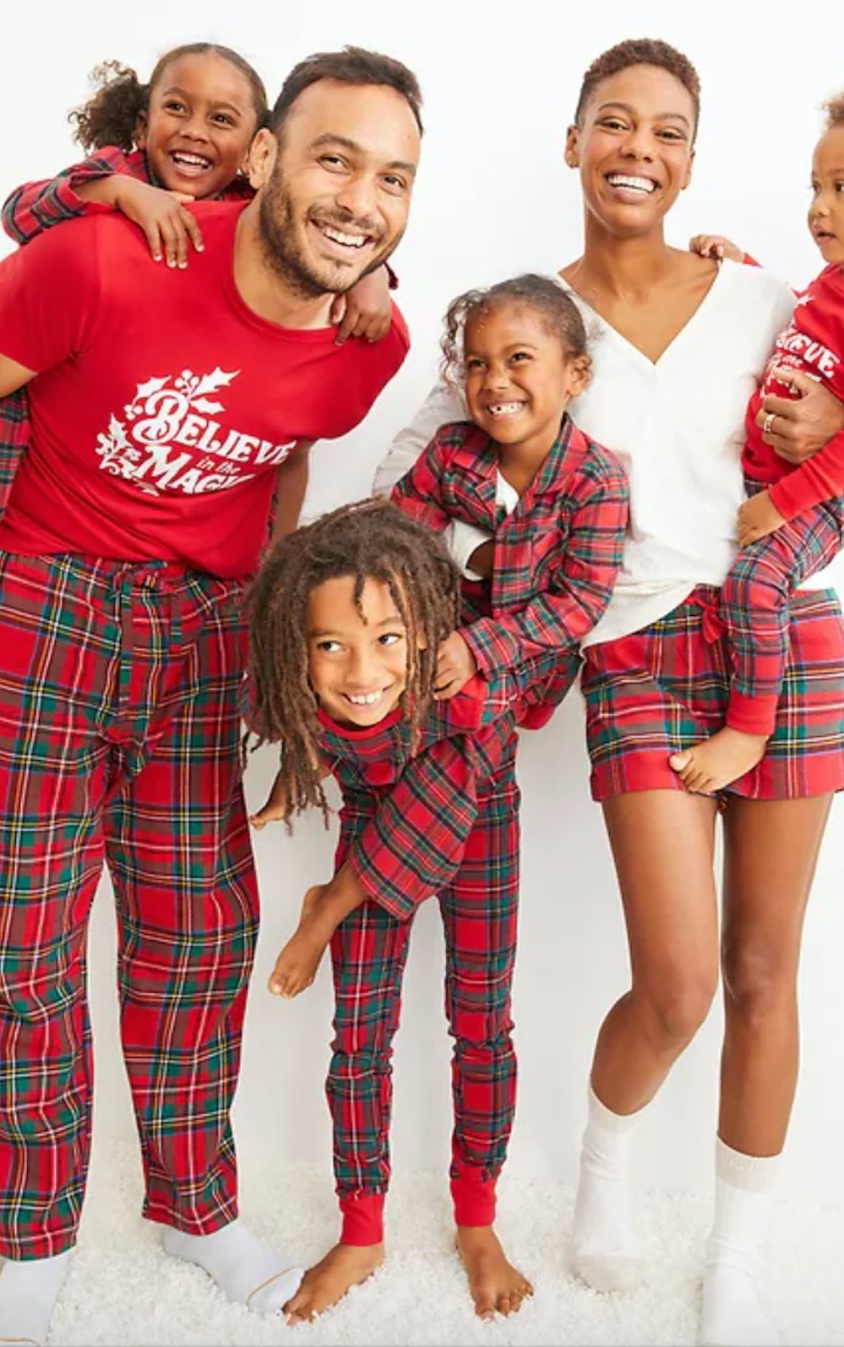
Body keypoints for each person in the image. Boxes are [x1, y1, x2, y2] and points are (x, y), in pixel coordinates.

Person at [374, 37, 844, 1347]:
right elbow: (418, 460)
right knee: (678, 982)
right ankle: (603, 1166)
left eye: (664, 130)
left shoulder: (764, 298)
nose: (636, 148)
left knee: (767, 967)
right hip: (637, 656)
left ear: (692, 158)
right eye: (612, 122)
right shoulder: (533, 320)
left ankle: (738, 1264)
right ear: (573, 142)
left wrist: (832, 458)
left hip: (785, 640)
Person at [0, 46, 422, 1347]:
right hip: (46, 607)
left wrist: (263, 610)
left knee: (197, 937)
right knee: (17, 938)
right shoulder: (99, 260)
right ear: (262, 158)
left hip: (204, 636)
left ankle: (192, 1208)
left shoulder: (372, 340)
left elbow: (286, 462)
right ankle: (31, 1246)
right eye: (333, 157)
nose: (360, 197)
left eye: (393, 178)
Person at [0, 43, 393, 665]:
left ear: (260, 152)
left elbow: (330, 236)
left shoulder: (276, 238)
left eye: (223, 119)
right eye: (176, 108)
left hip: (201, 599)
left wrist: (376, 274)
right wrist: (116, 191)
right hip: (42, 505)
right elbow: (20, 210)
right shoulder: (107, 210)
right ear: (143, 124)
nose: (195, 131)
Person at [247, 500, 597, 1322]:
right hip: (376, 819)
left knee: (481, 1023)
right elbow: (307, 720)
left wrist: (338, 898)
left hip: (480, 818)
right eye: (330, 645)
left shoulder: (462, 684)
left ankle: (476, 1220)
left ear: (429, 630)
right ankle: (361, 1227)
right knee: (359, 1033)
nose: (361, 671)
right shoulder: (298, 688)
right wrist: (292, 776)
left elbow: (501, 714)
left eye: (387, 641)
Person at [671, 68, 844, 792]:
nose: (818, 208)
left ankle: (749, 732)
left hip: (820, 497)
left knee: (756, 581)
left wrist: (779, 506)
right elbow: (797, 321)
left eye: (841, 188)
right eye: (814, 188)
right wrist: (745, 268)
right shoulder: (837, 283)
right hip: (776, 481)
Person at [390, 274, 629, 711]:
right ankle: (323, 759)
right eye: (478, 364)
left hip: (525, 657)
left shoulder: (596, 479)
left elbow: (579, 601)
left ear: (575, 374)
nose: (495, 381)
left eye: (518, 358)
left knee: (461, 708)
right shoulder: (450, 449)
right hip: (434, 626)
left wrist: (477, 648)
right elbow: (400, 532)